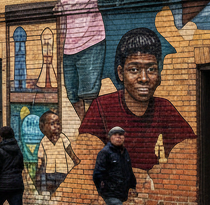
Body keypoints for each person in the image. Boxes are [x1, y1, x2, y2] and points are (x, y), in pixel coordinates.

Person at [80, 28, 194, 172]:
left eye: (151, 69)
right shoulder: (101, 108)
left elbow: (189, 151)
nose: (144, 78)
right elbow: (86, 162)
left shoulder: (164, 108)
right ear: (121, 73)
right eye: (134, 70)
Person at [56, 0, 105, 120]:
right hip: (66, 50)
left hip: (91, 43)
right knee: (71, 95)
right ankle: (84, 124)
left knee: (90, 93)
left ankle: (89, 127)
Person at [89, 126, 144, 205]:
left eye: (121, 135)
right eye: (116, 135)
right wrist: (102, 189)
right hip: (110, 191)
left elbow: (128, 171)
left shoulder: (124, 153)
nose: (119, 137)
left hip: (120, 191)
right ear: (110, 137)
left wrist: (132, 186)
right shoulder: (105, 152)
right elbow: (97, 174)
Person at [36, 111, 80, 193]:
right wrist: (39, 170)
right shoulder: (44, 141)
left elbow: (70, 152)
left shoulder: (62, 137)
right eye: (52, 124)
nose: (56, 126)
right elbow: (40, 157)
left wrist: (77, 162)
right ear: (44, 126)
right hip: (49, 172)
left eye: (58, 123)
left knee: (62, 191)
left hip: (62, 171)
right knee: (51, 191)